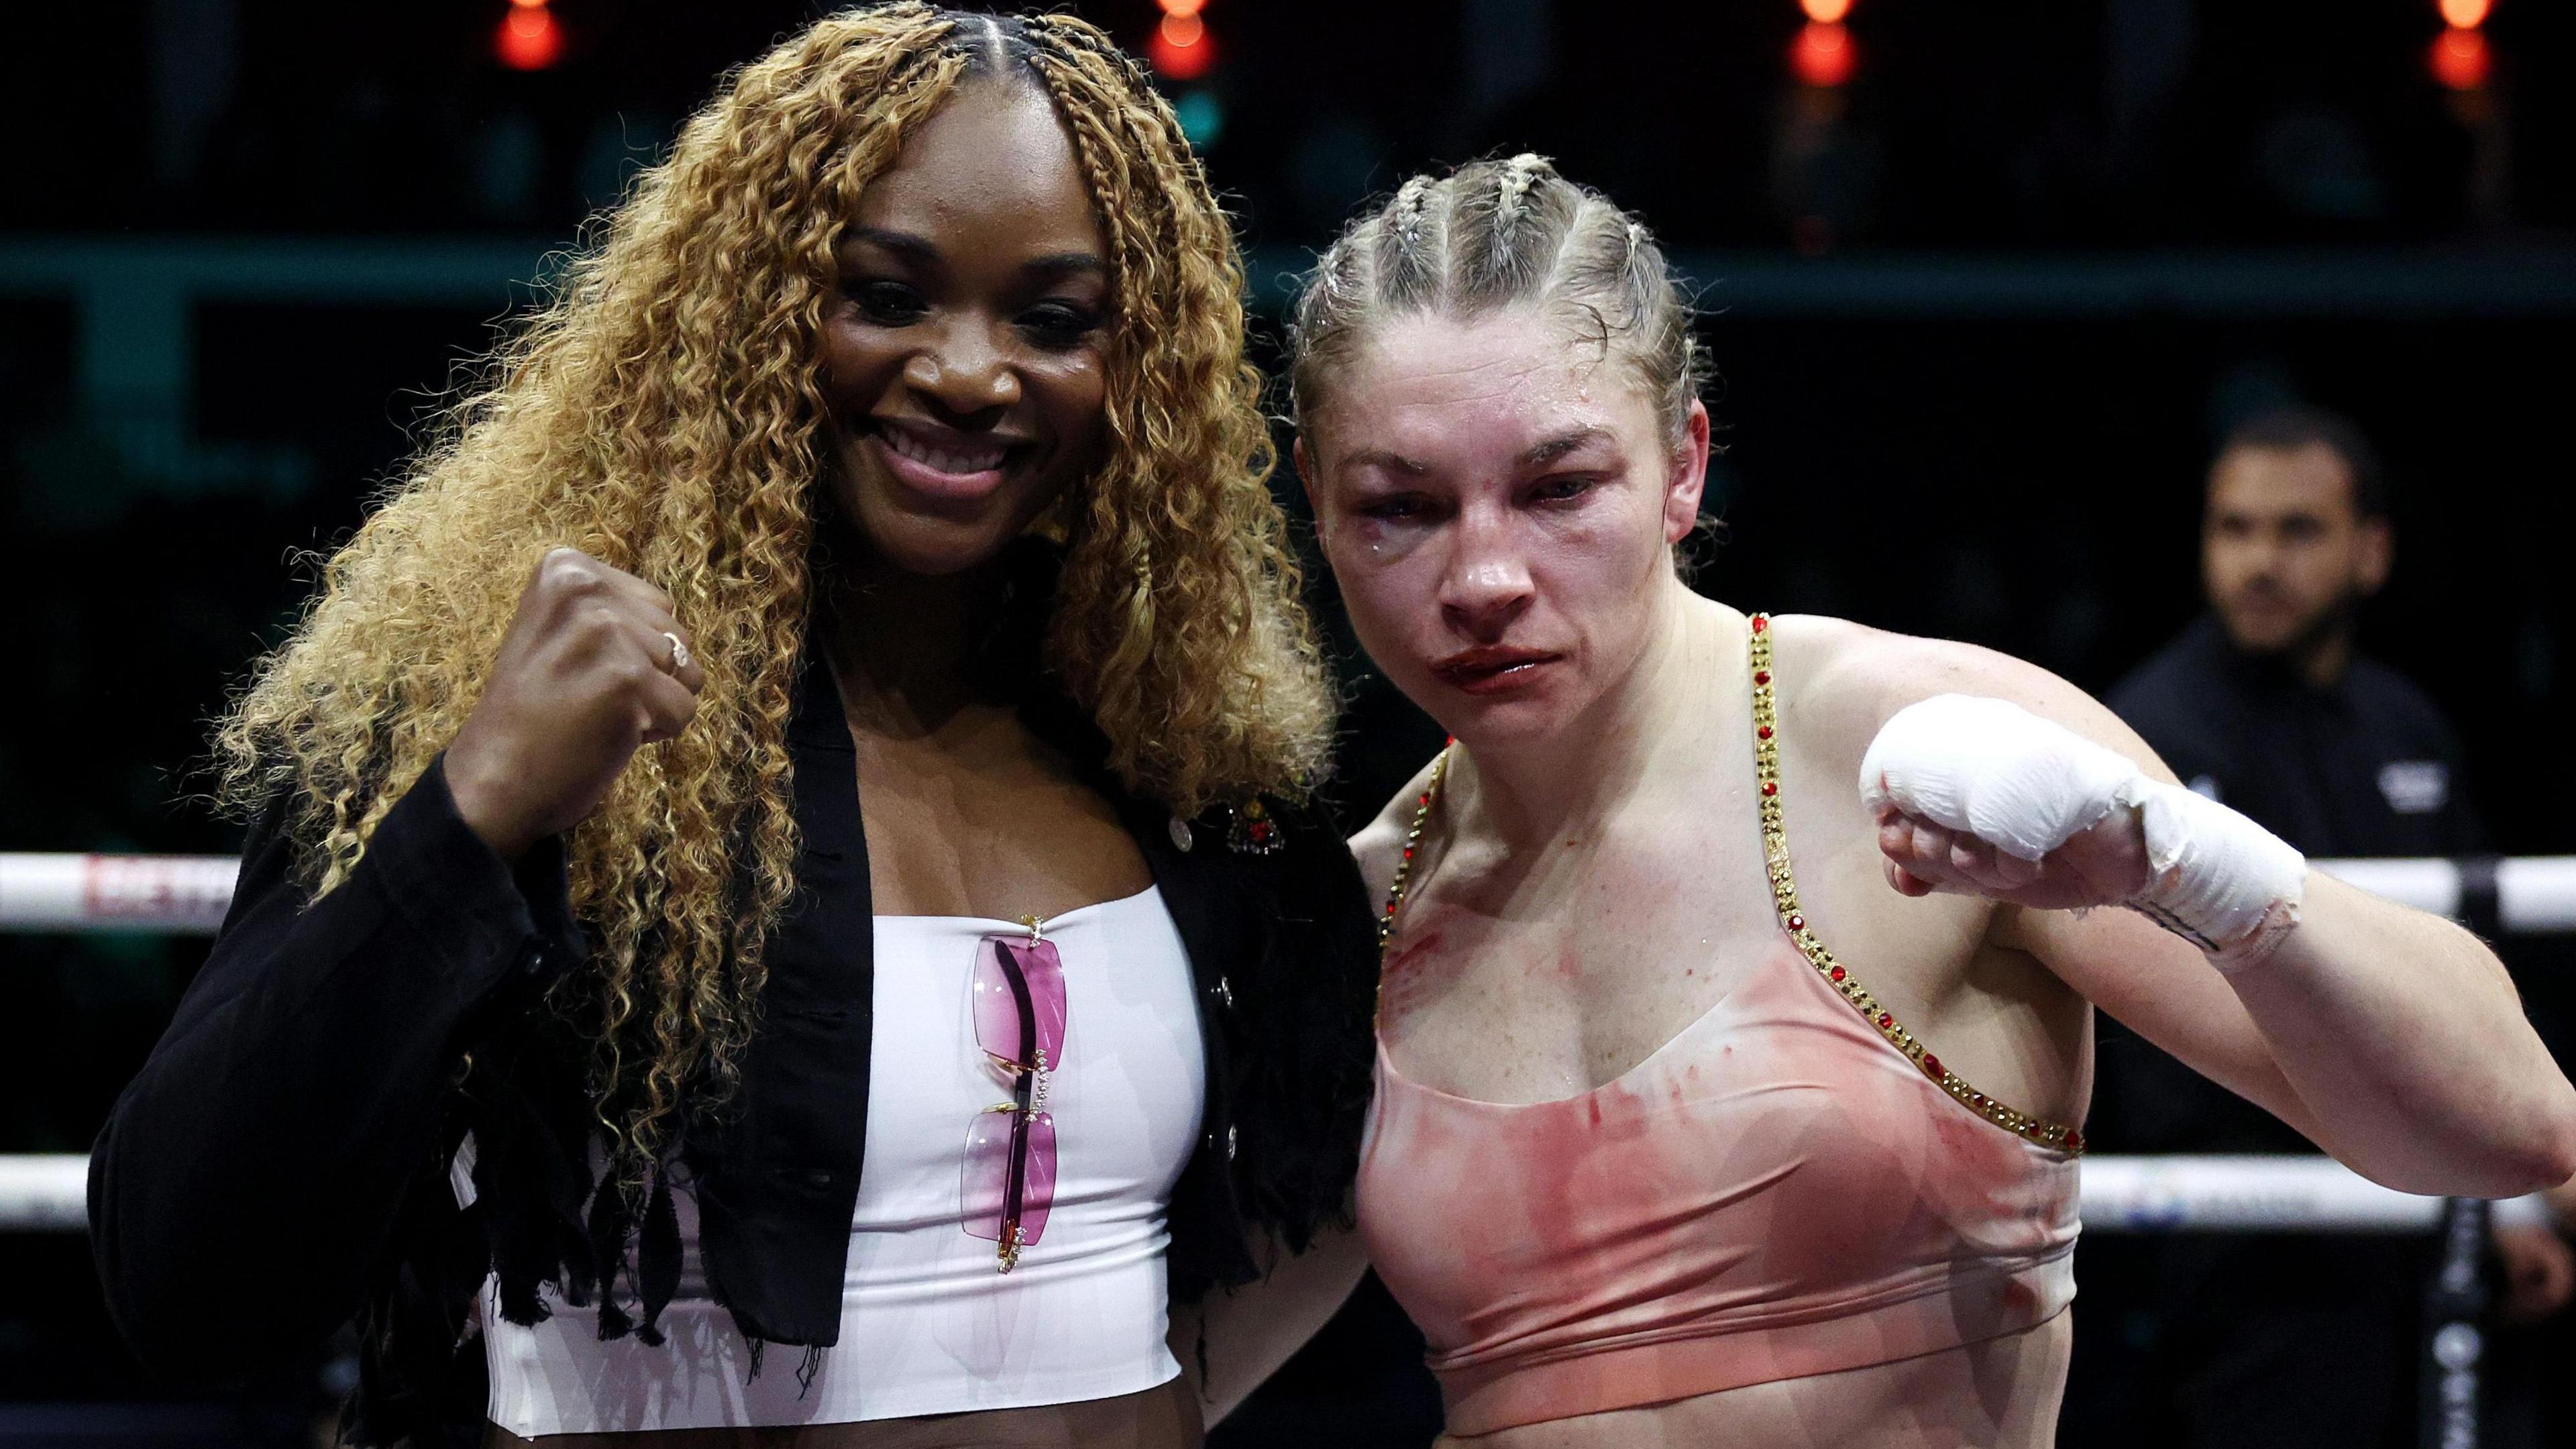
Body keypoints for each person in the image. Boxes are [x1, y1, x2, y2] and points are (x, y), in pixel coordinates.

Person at [86, 9, 1373, 1446]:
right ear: (753, 310)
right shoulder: (531, 712)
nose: (968, 370)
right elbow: (181, 1282)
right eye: (885, 294)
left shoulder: (1181, 754)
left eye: (1054, 320)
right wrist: (472, 813)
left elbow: (1306, 1215)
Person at [1287, 154, 2576, 1448]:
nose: (1485, 577)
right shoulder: (1361, 907)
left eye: (1561, 488)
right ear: (1321, 514)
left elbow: (2513, 1128)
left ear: (1685, 470)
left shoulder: (1898, 739)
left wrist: (2184, 864)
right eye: (1401, 508)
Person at [2074, 406, 2572, 1448]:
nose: (2260, 561)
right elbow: (2178, 1049)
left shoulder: (2409, 726)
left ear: (2371, 551)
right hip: (2246, 1237)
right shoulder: (2146, 732)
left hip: (2426, 1213)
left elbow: (2482, 974)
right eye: (2235, 528)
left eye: (2296, 530)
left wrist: (2508, 1206)